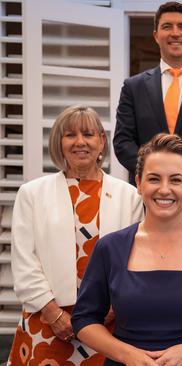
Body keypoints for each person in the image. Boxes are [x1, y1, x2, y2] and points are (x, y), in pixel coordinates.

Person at [72, 134, 182, 366]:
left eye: (176, 180)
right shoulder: (110, 248)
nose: (164, 189)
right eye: (154, 179)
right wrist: (125, 354)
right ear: (138, 184)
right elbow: (84, 320)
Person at [8, 105, 143, 365]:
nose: (80, 142)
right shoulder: (32, 194)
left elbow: (135, 261)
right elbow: (24, 262)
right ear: (59, 142)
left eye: (88, 134)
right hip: (46, 322)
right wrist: (54, 315)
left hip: (108, 327)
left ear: (101, 141)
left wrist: (108, 314)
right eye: (70, 135)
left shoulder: (130, 196)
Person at [114, 1, 182, 184]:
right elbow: (123, 141)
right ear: (156, 36)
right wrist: (152, 173)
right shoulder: (134, 87)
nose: (175, 33)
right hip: (147, 191)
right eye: (167, 27)